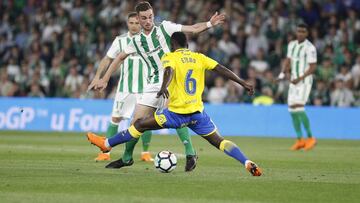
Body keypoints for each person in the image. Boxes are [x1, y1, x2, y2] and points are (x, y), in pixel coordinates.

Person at [87, 32, 262, 176]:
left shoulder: (170, 57)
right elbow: (221, 69)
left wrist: (163, 86)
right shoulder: (199, 57)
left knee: (140, 124)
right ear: (187, 44)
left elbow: (169, 71)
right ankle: (246, 161)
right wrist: (243, 83)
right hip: (197, 115)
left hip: (176, 114)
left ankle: (107, 144)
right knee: (220, 141)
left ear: (172, 45)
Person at [87, 1, 226, 171]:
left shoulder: (165, 28)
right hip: (153, 83)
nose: (148, 21)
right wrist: (105, 78)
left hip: (171, 80)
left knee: (176, 116)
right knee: (136, 122)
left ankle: (190, 153)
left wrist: (209, 24)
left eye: (150, 17)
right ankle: (127, 157)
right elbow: (119, 58)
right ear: (138, 18)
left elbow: (193, 29)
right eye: (144, 18)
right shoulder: (136, 41)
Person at [88, 12, 154, 162]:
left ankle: (145, 153)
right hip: (125, 88)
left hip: (146, 88)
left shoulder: (149, 40)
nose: (135, 26)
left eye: (137, 23)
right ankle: (105, 153)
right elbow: (107, 59)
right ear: (127, 24)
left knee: (145, 121)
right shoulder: (120, 40)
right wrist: (98, 77)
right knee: (116, 118)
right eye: (131, 23)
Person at [277, 23, 317, 151]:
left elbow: (312, 67)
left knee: (299, 106)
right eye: (298, 31)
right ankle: (300, 140)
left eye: (303, 31)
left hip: (304, 81)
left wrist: (299, 78)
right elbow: (288, 61)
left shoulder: (310, 48)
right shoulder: (292, 45)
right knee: (292, 109)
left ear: (307, 33)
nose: (300, 33)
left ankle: (311, 138)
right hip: (293, 80)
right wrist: (283, 73)